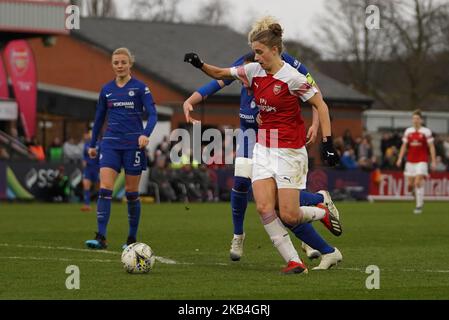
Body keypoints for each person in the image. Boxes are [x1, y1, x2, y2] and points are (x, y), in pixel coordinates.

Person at [184, 20, 341, 274]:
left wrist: (328, 142)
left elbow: (320, 104)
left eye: (260, 52)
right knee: (264, 207)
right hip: (263, 149)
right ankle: (294, 261)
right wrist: (200, 64)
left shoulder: (293, 77)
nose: (255, 57)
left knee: (289, 215)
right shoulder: (253, 70)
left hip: (290, 151)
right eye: (254, 52)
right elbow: (221, 74)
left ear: (275, 50)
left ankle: (320, 211)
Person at [85, 47, 158, 250]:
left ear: (130, 64)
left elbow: (153, 114)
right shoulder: (106, 89)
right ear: (112, 65)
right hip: (110, 143)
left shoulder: (141, 88)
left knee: (131, 192)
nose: (119, 66)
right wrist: (93, 144)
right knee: (105, 189)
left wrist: (146, 134)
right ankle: (101, 237)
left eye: (123, 62)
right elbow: (99, 119)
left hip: (133, 145)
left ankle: (131, 239)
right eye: (116, 62)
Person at [396, 109, 436, 214]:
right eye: (414, 118)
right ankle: (419, 198)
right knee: (410, 186)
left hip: (422, 160)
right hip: (410, 161)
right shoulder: (408, 131)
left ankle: (419, 206)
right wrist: (400, 158)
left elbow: (431, 147)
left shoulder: (426, 131)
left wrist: (433, 161)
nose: (415, 120)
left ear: (421, 120)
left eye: (417, 118)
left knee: (418, 182)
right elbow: (404, 146)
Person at [80, 131, 100, 212]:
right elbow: (84, 155)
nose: (91, 135)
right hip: (88, 168)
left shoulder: (100, 144)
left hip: (96, 168)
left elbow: (102, 155)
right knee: (86, 185)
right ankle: (87, 205)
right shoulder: (86, 144)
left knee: (99, 187)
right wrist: (84, 161)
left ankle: (100, 205)